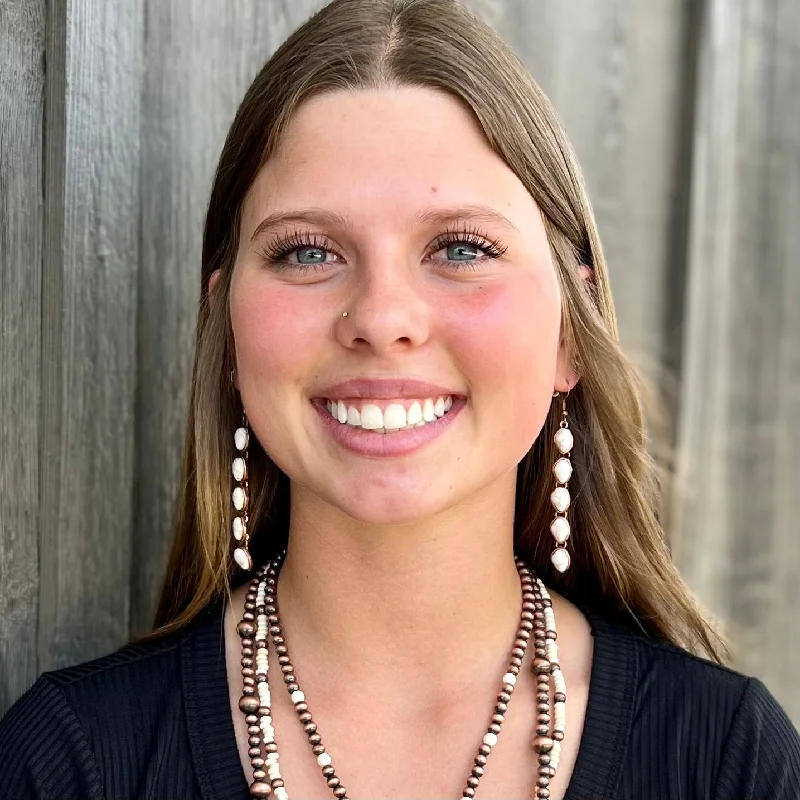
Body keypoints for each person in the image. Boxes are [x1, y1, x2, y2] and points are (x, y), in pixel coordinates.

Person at [2, 0, 799, 797]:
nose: (382, 319)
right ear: (227, 333)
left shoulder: (729, 763)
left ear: (568, 332)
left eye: (459, 248)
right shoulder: (70, 763)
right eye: (309, 251)